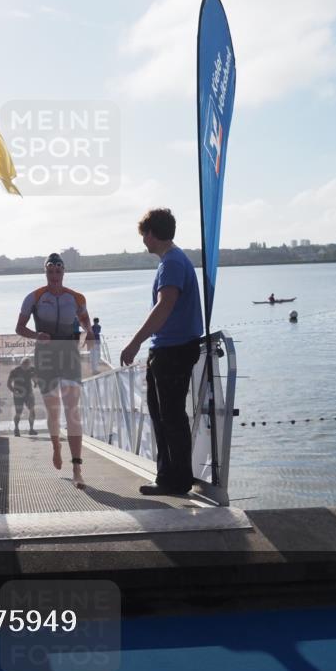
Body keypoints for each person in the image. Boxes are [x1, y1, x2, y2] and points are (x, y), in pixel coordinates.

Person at [120, 209, 203, 496]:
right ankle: (169, 477)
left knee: (170, 416)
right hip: (171, 349)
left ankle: (176, 481)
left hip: (173, 350)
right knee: (163, 415)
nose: (143, 240)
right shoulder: (174, 261)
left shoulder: (171, 263)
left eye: (144, 234)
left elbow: (164, 306)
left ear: (151, 234)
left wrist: (135, 342)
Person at [16, 252, 94, 488]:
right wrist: (36, 334)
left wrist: (89, 332)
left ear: (63, 272)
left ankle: (77, 467)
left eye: (58, 271)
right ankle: (56, 446)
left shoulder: (76, 297)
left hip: (69, 353)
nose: (54, 276)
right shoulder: (35, 297)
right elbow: (19, 327)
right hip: (46, 355)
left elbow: (85, 321)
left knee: (73, 410)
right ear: (46, 272)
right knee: (53, 410)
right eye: (50, 271)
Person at [6, 357, 38, 437]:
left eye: (28, 365)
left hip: (29, 393)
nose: (26, 367)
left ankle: (31, 429)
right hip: (18, 395)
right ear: (21, 364)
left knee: (32, 410)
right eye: (25, 365)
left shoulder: (32, 369)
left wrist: (35, 382)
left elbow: (34, 377)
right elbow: (9, 384)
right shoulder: (15, 371)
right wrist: (14, 391)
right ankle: (16, 429)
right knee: (18, 412)